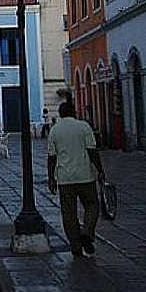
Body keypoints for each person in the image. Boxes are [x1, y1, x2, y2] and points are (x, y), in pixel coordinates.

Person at [47, 101, 105, 258]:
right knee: (92, 205)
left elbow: (51, 157)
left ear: (59, 113)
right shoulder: (84, 126)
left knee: (68, 213)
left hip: (64, 178)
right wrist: (100, 170)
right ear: (74, 112)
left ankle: (75, 246)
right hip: (85, 175)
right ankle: (87, 232)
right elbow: (92, 150)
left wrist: (51, 178)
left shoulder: (54, 130)